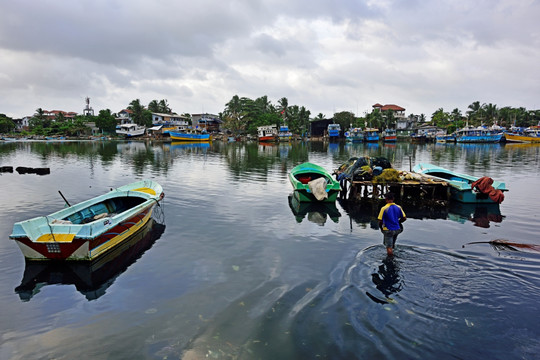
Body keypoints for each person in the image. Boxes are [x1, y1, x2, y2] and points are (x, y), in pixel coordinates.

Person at [378, 192, 406, 256]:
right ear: (393, 199)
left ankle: (391, 260)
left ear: (386, 199)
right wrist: (398, 222)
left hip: (388, 230)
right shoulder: (399, 207)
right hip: (397, 229)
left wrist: (381, 228)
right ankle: (393, 253)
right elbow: (404, 218)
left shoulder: (384, 208)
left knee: (389, 247)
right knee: (392, 244)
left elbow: (380, 221)